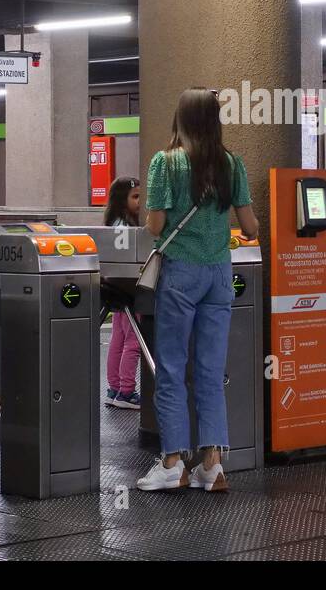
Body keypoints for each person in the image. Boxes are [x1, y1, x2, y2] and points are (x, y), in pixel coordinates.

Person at [136, 88, 259, 492]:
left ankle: (173, 462)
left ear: (181, 119)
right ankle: (212, 465)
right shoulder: (233, 163)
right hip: (220, 274)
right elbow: (252, 227)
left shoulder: (165, 163)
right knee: (209, 371)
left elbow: (154, 227)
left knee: (171, 368)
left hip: (182, 274)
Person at [103, 176, 143, 410]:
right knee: (134, 341)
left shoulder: (114, 222)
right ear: (122, 200)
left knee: (118, 338)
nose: (139, 202)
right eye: (135, 197)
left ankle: (115, 388)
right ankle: (127, 391)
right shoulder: (126, 227)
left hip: (116, 287)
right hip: (130, 286)